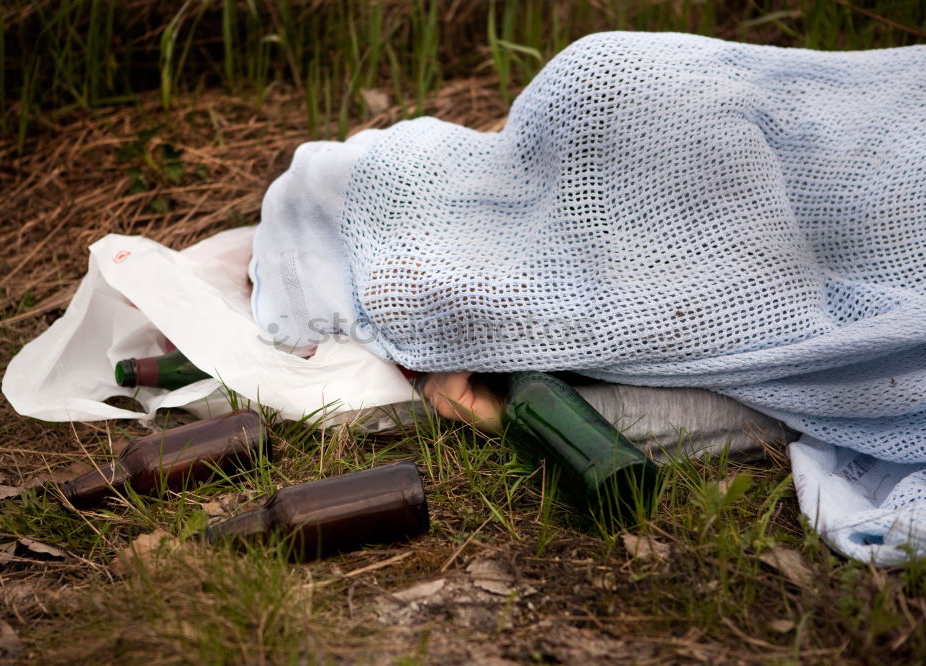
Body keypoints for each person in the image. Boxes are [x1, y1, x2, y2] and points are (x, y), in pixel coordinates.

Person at [249, 32, 926, 562]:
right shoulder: (560, 165)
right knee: (601, 92)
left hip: (841, 142)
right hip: (639, 89)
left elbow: (735, 398)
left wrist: (498, 413)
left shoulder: (762, 308)